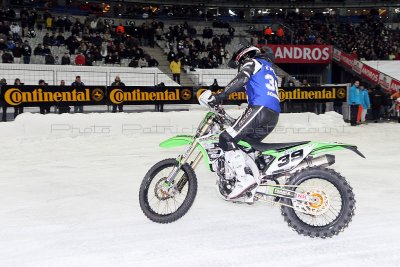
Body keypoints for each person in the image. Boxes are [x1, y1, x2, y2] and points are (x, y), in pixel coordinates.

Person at [202, 45, 280, 200]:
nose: (239, 66)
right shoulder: (268, 68)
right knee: (245, 145)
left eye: (239, 63)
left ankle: (244, 180)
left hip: (260, 107)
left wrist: (220, 96)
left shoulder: (253, 62)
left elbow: (241, 79)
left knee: (226, 138)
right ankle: (258, 182)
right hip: (273, 114)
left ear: (245, 56)